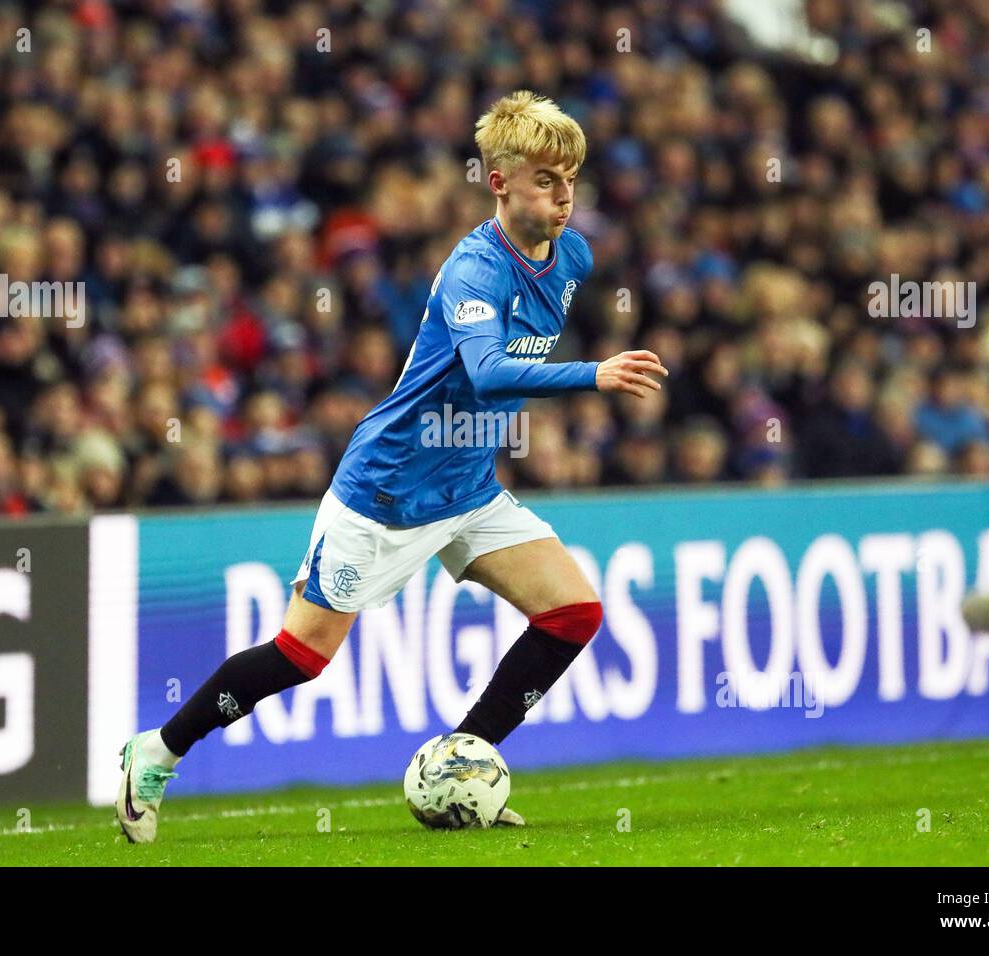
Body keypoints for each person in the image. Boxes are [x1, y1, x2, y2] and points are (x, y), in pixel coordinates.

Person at [115, 90, 668, 842]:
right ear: (499, 182)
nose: (563, 194)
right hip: (387, 489)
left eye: (570, 178)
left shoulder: (574, 256)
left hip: (468, 488)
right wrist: (591, 375)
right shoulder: (474, 270)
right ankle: (159, 749)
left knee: (574, 613)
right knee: (300, 656)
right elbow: (488, 371)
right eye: (545, 179)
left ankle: (465, 760)